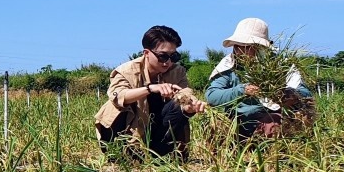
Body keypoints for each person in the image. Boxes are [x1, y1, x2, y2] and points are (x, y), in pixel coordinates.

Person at [95, 25, 204, 159]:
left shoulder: (178, 72)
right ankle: (122, 153)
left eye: (173, 56)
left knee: (179, 106)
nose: (168, 62)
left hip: (156, 133)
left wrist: (190, 107)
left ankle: (164, 152)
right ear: (146, 53)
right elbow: (118, 97)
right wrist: (150, 88)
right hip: (125, 134)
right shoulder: (126, 71)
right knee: (117, 106)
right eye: (162, 56)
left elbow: (186, 93)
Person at [205, 18, 313, 139]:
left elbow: (305, 92)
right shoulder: (228, 65)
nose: (240, 51)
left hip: (271, 116)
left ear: (260, 47)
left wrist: (291, 94)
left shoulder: (280, 64)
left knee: (272, 124)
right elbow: (212, 95)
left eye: (247, 47)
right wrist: (242, 90)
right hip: (239, 119)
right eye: (237, 46)